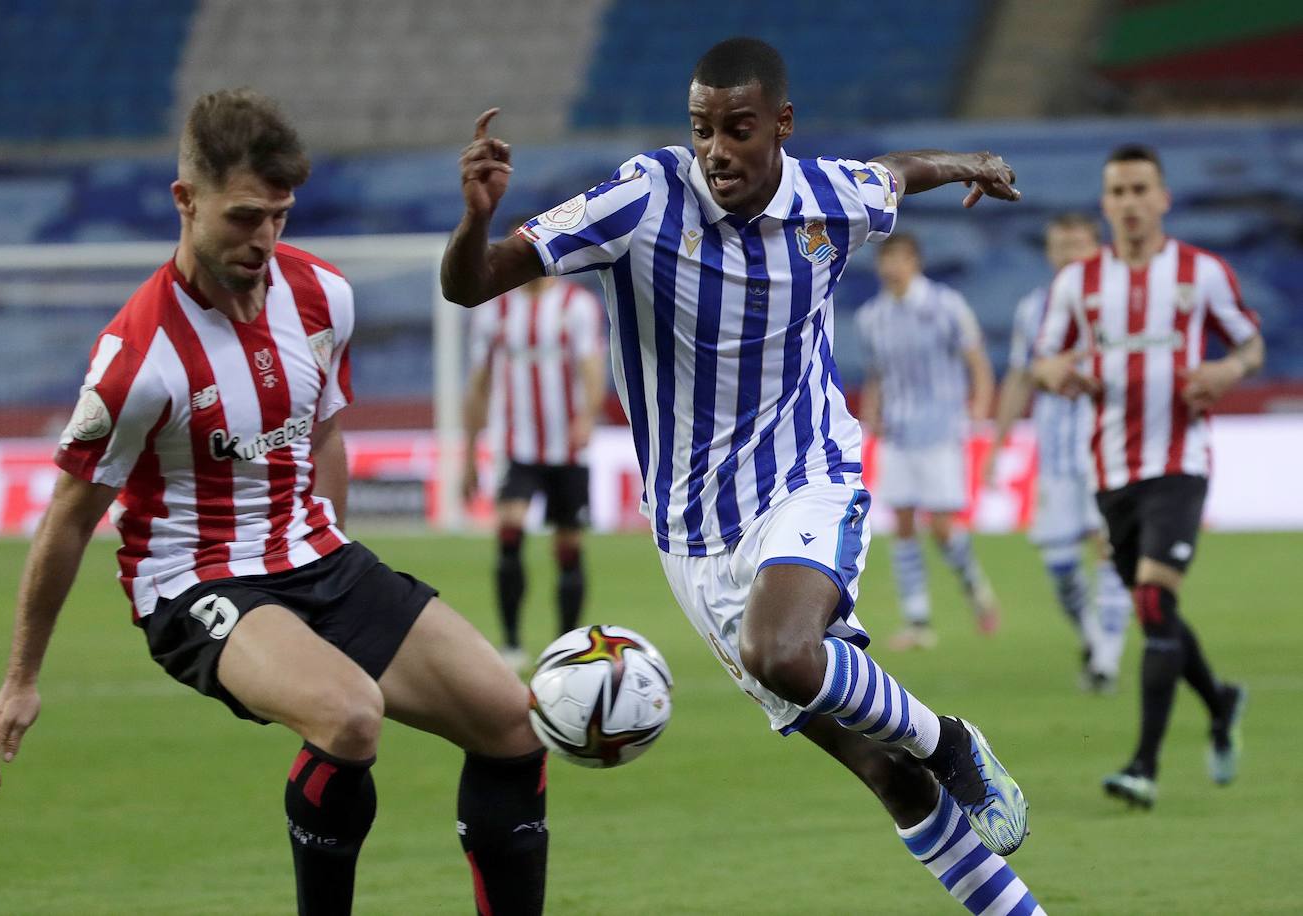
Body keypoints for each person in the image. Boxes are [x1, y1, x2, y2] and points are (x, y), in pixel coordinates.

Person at [443, 38, 1044, 914]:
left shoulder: (826, 200)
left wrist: (967, 163)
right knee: (881, 769)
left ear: (781, 127)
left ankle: (951, 741)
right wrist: (475, 219)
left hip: (808, 476)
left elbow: (892, 174)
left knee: (785, 652)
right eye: (701, 129)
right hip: (691, 536)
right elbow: (473, 285)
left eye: (737, 128)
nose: (716, 149)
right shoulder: (642, 198)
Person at [0, 89, 549, 916]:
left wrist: (341, 569)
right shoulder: (138, 357)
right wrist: (20, 680)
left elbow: (323, 439)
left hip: (317, 558)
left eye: (279, 216)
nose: (265, 239)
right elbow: (69, 518)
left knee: (512, 722)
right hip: (195, 582)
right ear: (186, 201)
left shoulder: (322, 296)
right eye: (244, 217)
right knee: (352, 717)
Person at [1032, 143, 1262, 809]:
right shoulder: (1078, 284)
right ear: (1106, 205)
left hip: (1180, 461)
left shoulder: (1201, 272)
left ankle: (1143, 767)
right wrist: (1059, 374)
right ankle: (1221, 703)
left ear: (1163, 198)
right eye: (1118, 192)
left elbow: (1249, 341)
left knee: (1155, 602)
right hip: (1110, 467)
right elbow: (1043, 360)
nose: (1130, 203)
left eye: (1141, 190)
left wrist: (1226, 370)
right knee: (1151, 605)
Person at [984, 213, 1132, 690]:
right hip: (1057, 455)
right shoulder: (1033, 309)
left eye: (1078, 246)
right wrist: (997, 444)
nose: (1069, 256)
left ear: (1097, 249)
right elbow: (1020, 379)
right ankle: (1092, 636)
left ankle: (1107, 659)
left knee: (1110, 548)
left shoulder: (1120, 302)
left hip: (1112, 445)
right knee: (1060, 563)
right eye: (1060, 247)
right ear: (1049, 254)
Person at [854, 233, 1000, 650]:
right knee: (900, 522)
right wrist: (873, 415)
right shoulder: (872, 317)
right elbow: (876, 374)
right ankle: (917, 621)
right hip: (896, 434)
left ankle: (975, 587)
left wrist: (980, 407)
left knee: (940, 526)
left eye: (899, 259)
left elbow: (977, 361)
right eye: (886, 260)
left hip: (940, 430)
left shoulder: (946, 306)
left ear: (915, 262)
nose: (892, 268)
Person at [461, 255, 607, 670]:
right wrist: (471, 453)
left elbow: (593, 368)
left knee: (568, 544)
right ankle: (510, 643)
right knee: (509, 529)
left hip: (567, 448)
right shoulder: (496, 312)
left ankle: (566, 646)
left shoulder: (575, 305)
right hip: (516, 446)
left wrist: (586, 417)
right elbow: (478, 384)